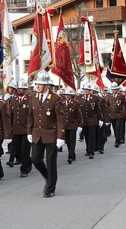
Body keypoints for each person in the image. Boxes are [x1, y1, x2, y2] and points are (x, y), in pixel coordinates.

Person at [27, 70, 66, 198]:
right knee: (35, 159)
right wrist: (29, 132)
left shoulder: (55, 98)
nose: (37, 86)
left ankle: (50, 188)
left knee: (51, 162)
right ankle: (48, 177)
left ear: (47, 85)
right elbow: (30, 116)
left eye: (40, 84)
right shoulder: (33, 96)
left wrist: (60, 137)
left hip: (51, 134)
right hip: (37, 134)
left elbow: (61, 119)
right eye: (36, 83)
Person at [9, 80, 32, 176]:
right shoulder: (13, 100)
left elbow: (32, 115)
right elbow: (11, 114)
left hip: (26, 129)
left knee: (24, 150)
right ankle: (29, 161)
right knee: (17, 150)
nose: (19, 90)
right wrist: (10, 127)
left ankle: (24, 170)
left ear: (25, 89)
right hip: (16, 129)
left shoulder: (30, 100)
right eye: (18, 88)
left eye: (21, 88)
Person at [62, 87, 82, 164]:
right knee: (67, 141)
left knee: (72, 140)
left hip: (73, 125)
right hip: (65, 125)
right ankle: (72, 153)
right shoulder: (62, 102)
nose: (67, 96)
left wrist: (80, 125)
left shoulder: (76, 103)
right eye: (66, 95)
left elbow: (79, 115)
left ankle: (70, 156)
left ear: (71, 96)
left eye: (68, 95)